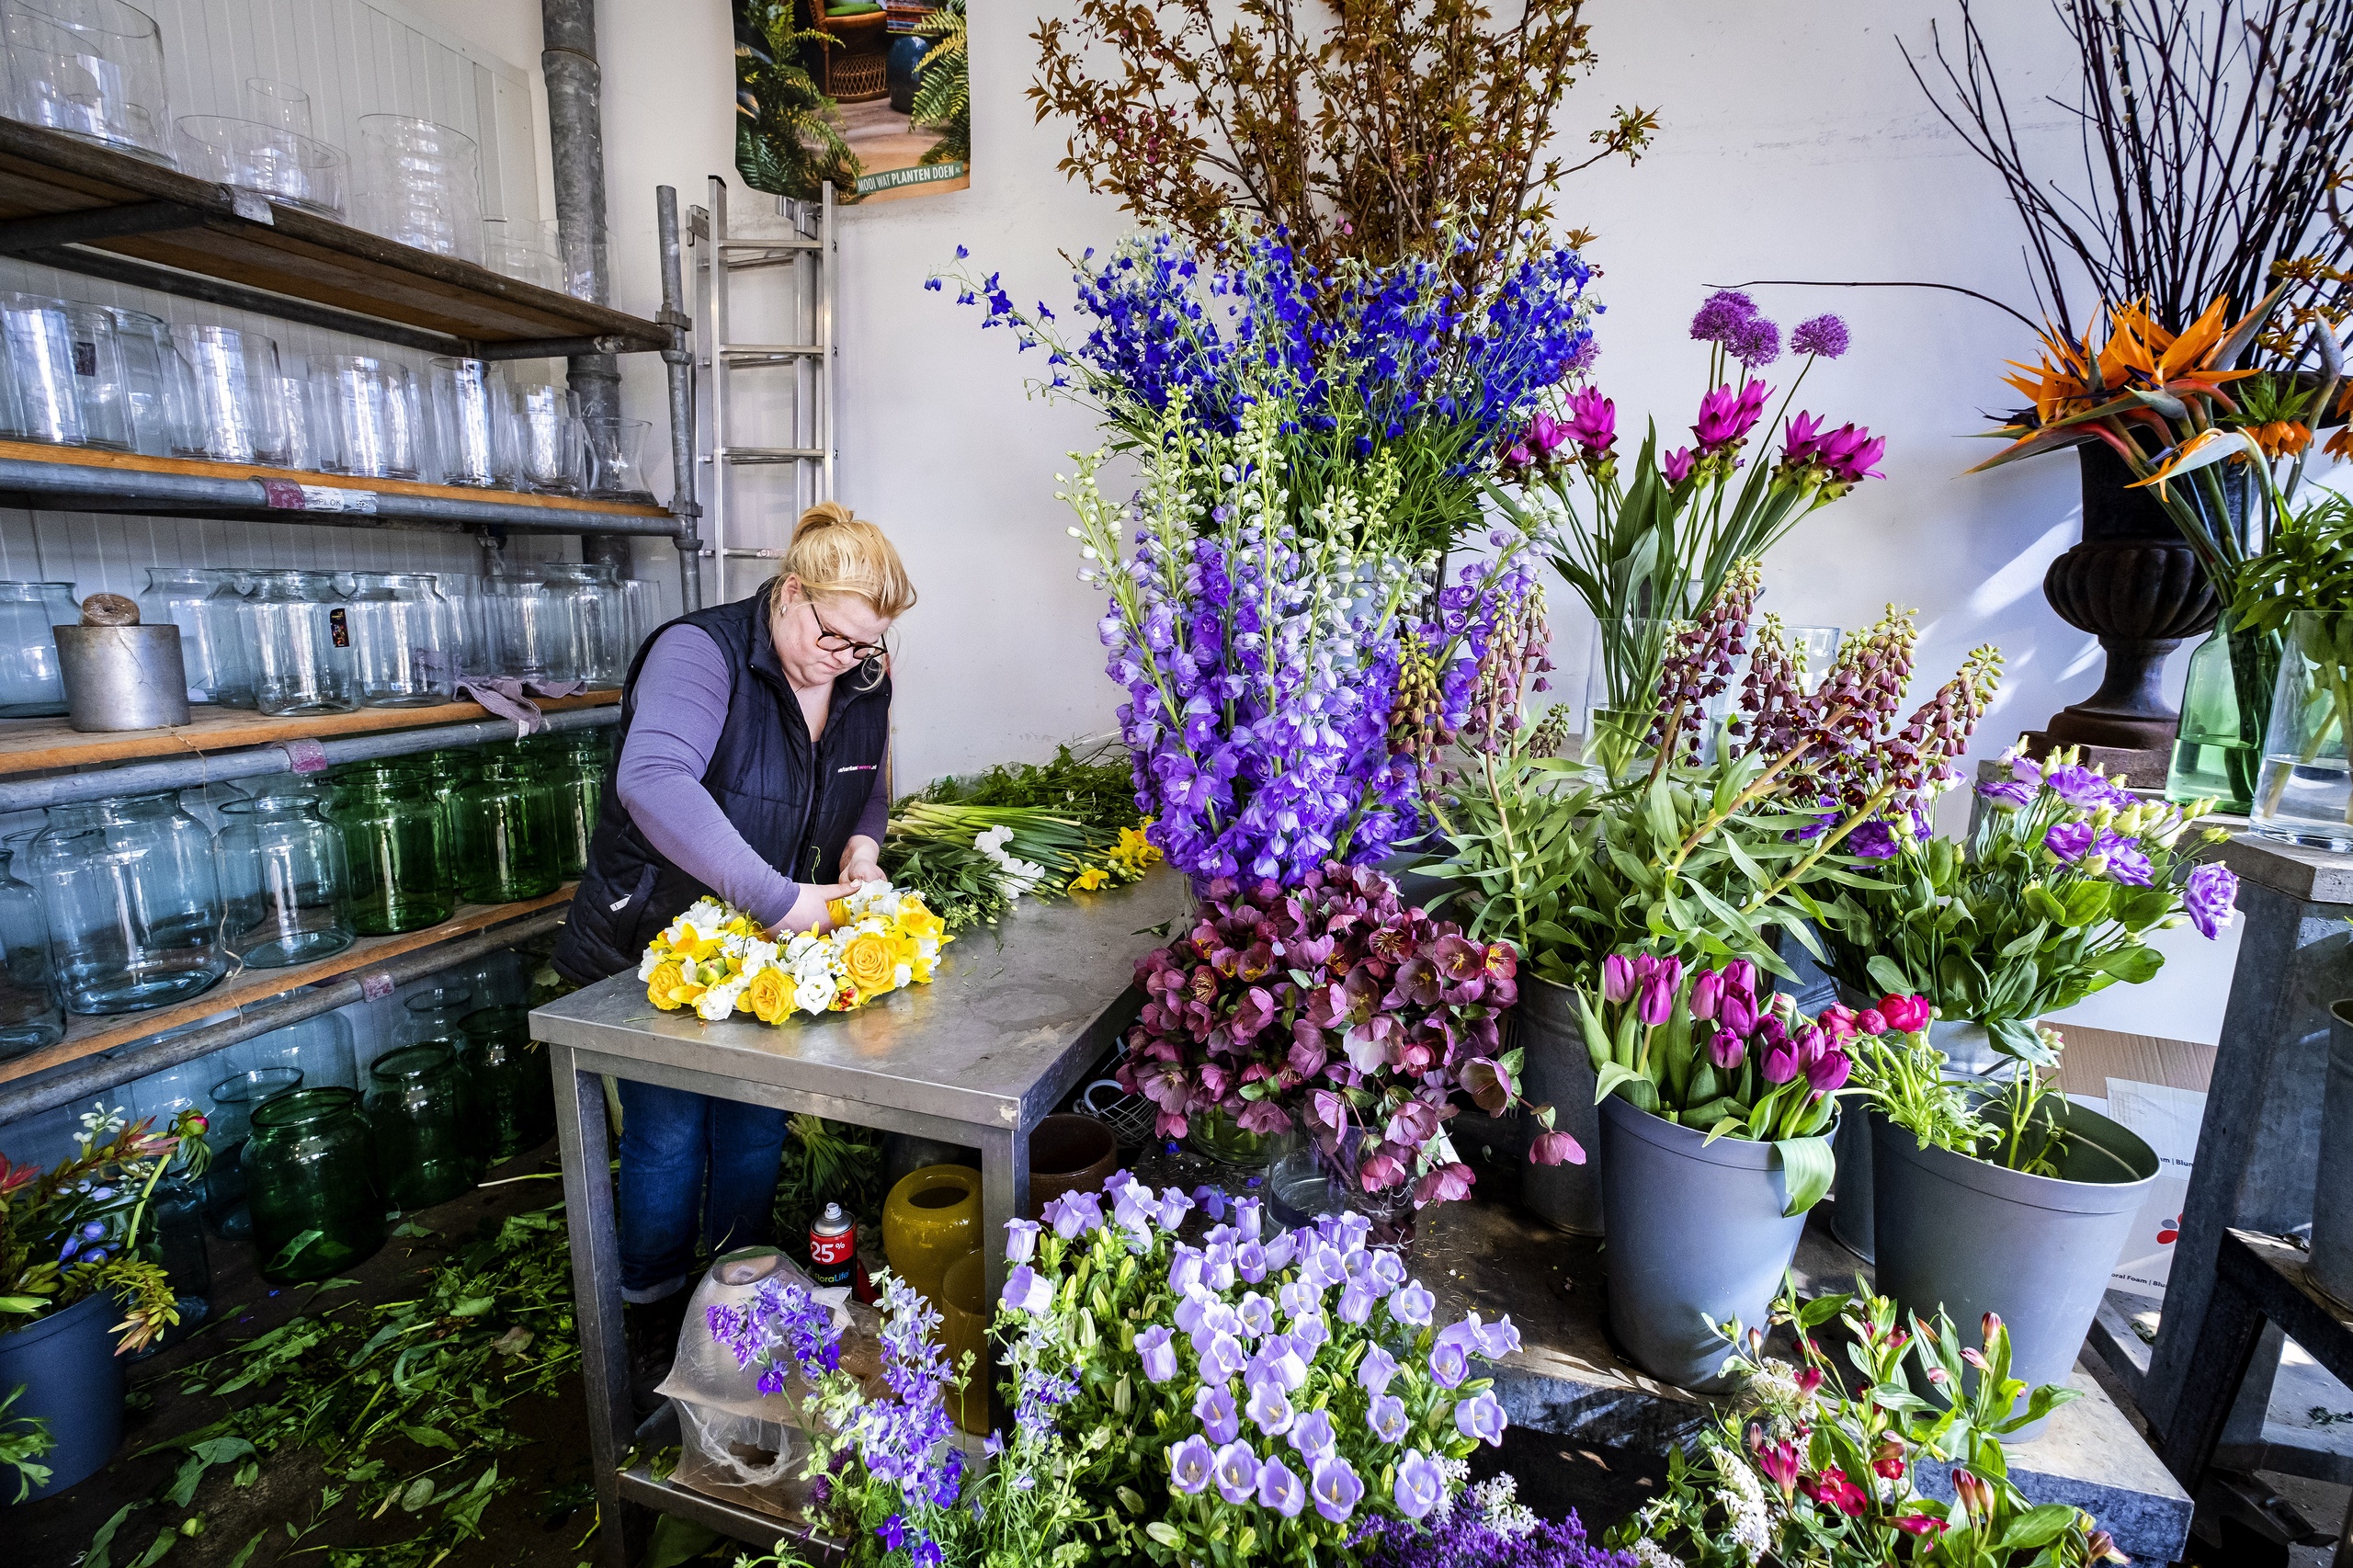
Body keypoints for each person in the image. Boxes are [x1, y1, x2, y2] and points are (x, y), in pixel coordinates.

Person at [552, 501, 915, 1398]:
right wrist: (783, 900)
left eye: (865, 647)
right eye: (836, 637)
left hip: (768, 945)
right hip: (661, 936)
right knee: (671, 1128)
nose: (849, 659)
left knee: (755, 1115)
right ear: (790, 594)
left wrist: (862, 850)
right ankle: (650, 1311)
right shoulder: (701, 652)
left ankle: (736, 1293)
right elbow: (653, 780)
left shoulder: (863, 679)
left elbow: (867, 787)